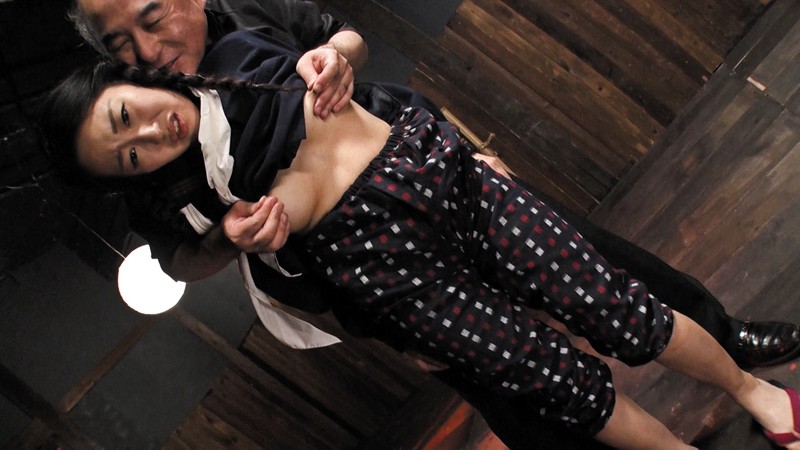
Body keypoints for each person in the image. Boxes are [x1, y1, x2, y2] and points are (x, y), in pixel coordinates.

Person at [39, 32, 800, 449]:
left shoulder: (239, 51)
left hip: (437, 172)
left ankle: (752, 388)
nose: (147, 135)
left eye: (125, 116)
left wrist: (333, 57)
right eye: (128, 156)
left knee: (618, 304)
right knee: (556, 383)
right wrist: (238, 238)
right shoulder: (191, 195)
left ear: (123, 80)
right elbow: (229, 265)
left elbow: (341, 45)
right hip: (383, 270)